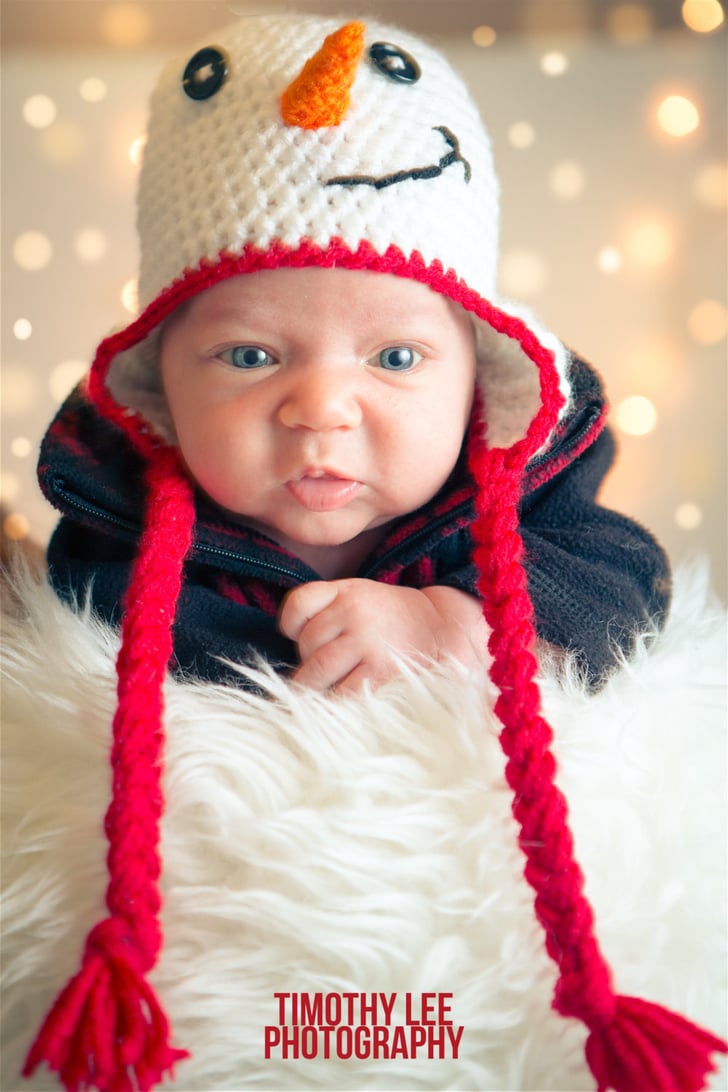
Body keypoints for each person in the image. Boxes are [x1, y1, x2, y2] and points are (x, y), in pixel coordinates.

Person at [25, 14, 725, 1092]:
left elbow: (624, 576)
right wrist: (271, 658)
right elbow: (94, 608)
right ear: (161, 384)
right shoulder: (126, 527)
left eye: (394, 357)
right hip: (253, 951)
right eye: (249, 356)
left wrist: (453, 624)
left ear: (476, 377)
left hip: (463, 947)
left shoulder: (521, 507)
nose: (321, 408)